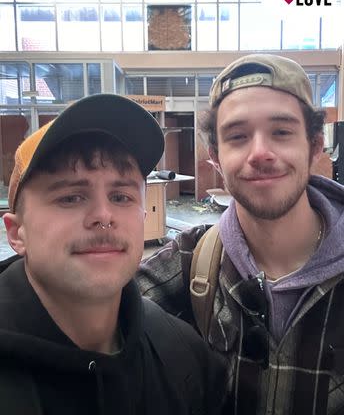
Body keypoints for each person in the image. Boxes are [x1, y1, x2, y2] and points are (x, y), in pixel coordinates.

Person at [137, 54, 344, 414]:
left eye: (281, 132)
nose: (260, 153)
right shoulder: (191, 261)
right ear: (216, 157)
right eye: (238, 136)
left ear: (313, 146)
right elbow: (85, 318)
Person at [0, 94, 228, 415]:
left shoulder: (186, 358)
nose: (104, 214)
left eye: (121, 196)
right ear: (16, 232)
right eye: (70, 197)